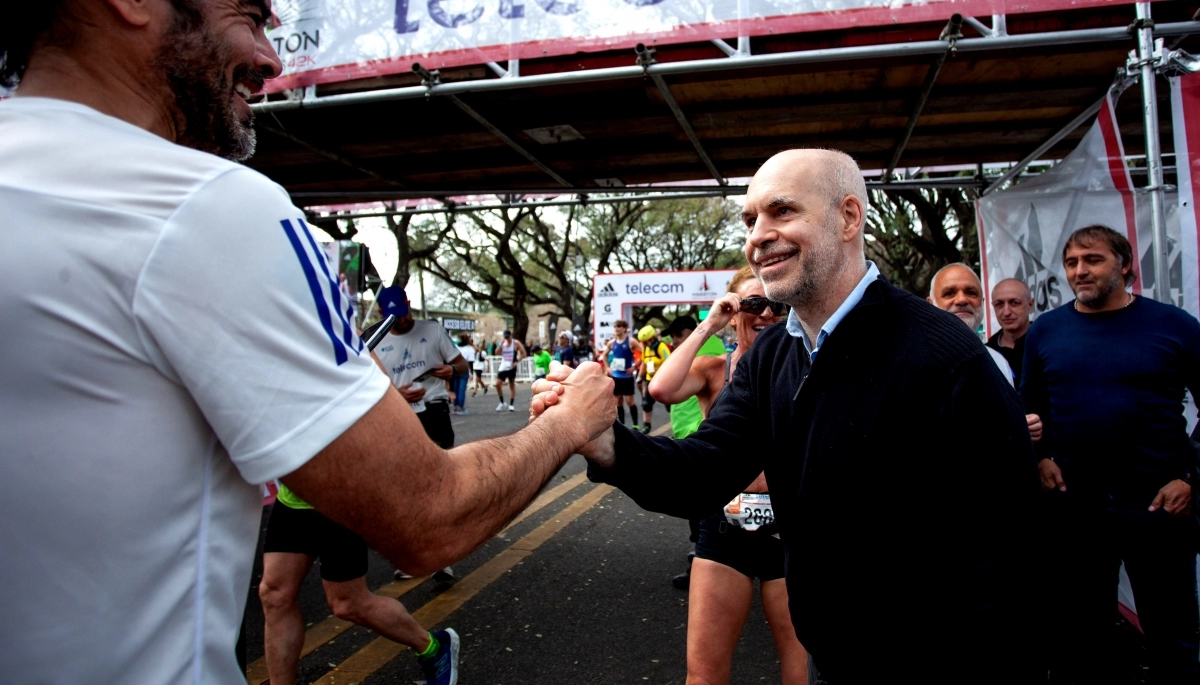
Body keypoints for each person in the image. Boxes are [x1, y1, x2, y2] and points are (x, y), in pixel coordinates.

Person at [0, 5, 618, 682]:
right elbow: (429, 517)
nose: (269, 59)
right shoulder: (208, 206)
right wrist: (571, 419)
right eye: (247, 14)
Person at [532, 148, 1041, 684]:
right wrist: (604, 440)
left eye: (782, 212)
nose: (758, 235)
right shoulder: (771, 357)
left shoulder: (946, 357)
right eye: (750, 220)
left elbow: (1013, 550)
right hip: (831, 661)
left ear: (849, 217)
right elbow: (702, 473)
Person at [1022, 225, 1200, 684]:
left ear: (1125, 265)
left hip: (1158, 504)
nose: (1080, 271)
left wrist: (1192, 478)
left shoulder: (1174, 326)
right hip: (1076, 509)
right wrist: (1040, 456)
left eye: (1093, 260)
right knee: (1080, 636)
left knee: (1173, 636)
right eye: (1072, 263)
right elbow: (1028, 407)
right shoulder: (1047, 330)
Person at [648, 267, 804, 685]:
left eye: (776, 304)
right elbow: (662, 390)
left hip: (786, 528)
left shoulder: (801, 366)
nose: (766, 313)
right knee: (704, 675)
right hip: (722, 526)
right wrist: (709, 324)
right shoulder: (715, 368)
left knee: (801, 671)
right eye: (753, 304)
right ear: (734, 311)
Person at [659, 313, 736, 589]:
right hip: (690, 433)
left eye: (677, 335)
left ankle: (705, 563)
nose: (674, 341)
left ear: (691, 331)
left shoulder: (708, 350)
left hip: (700, 435)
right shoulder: (694, 349)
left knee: (704, 504)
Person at [927, 263, 1043, 440]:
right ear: (930, 303)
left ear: (981, 302)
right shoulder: (911, 360)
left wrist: (1020, 426)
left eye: (971, 293)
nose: (962, 300)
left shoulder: (997, 360)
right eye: (949, 293)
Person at [597, 319, 644, 430]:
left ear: (624, 329)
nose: (616, 328)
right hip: (616, 376)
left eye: (619, 326)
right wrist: (607, 368)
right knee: (618, 401)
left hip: (627, 376)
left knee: (630, 401)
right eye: (615, 326)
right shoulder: (611, 343)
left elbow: (644, 353)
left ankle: (635, 425)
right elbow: (604, 355)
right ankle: (622, 425)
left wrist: (635, 366)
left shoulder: (631, 341)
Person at [987, 277, 1034, 383]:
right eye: (999, 304)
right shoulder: (987, 353)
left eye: (1014, 303)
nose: (1006, 312)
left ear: (1030, 305)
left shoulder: (1048, 343)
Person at [636, 325, 671, 435]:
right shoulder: (646, 349)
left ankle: (675, 424)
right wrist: (639, 378)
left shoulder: (661, 347)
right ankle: (646, 425)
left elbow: (669, 363)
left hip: (663, 380)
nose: (644, 344)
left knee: (669, 405)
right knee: (646, 404)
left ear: (652, 338)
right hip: (650, 379)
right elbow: (644, 363)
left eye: (646, 342)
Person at [494, 330, 526, 411]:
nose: (507, 339)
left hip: (512, 367)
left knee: (511, 385)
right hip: (503, 366)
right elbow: (496, 353)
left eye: (508, 337)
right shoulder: (503, 343)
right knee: (497, 384)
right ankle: (502, 402)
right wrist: (500, 345)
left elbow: (524, 353)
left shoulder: (516, 343)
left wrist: (517, 361)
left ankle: (511, 404)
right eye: (505, 337)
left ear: (511, 335)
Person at [453, 333, 475, 413]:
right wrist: (471, 373)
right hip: (464, 369)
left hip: (455, 368)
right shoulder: (470, 349)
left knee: (455, 388)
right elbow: (470, 362)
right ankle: (461, 407)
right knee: (462, 389)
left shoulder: (455, 347)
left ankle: (455, 406)